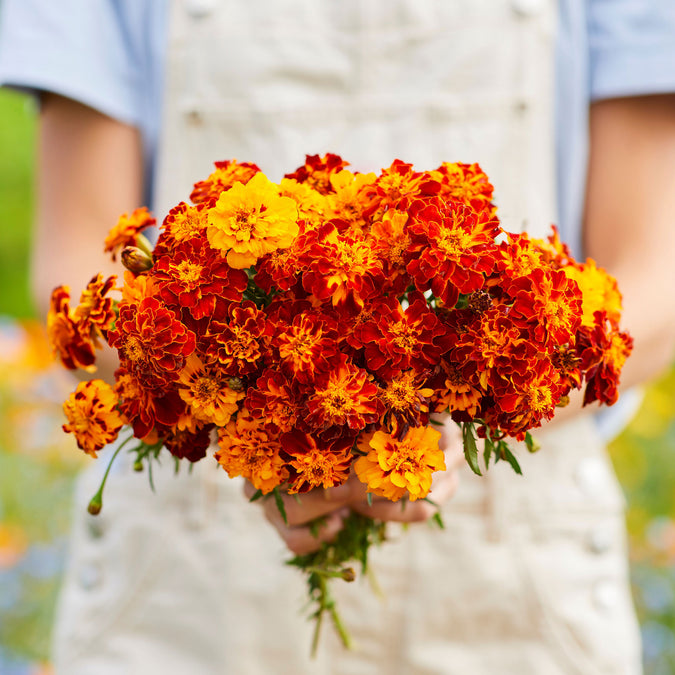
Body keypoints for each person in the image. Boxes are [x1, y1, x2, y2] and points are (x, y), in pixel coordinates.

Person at [1, 1, 675, 673]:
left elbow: (650, 286)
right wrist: (263, 420)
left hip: (515, 565)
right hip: (188, 553)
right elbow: (80, 258)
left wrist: (441, 418)